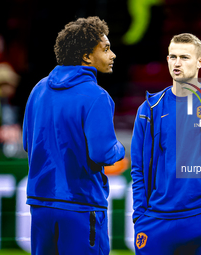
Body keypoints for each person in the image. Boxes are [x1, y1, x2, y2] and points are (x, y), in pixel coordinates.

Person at [131, 33, 201, 254]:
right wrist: (140, 214)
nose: (177, 63)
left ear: (200, 62)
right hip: (156, 220)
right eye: (172, 56)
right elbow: (138, 168)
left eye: (184, 57)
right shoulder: (149, 109)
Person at [22, 16, 125, 255]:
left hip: (40, 205)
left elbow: (28, 143)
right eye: (106, 49)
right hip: (80, 205)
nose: (113, 55)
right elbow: (103, 152)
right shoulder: (96, 96)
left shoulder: (38, 89)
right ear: (87, 57)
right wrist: (120, 148)